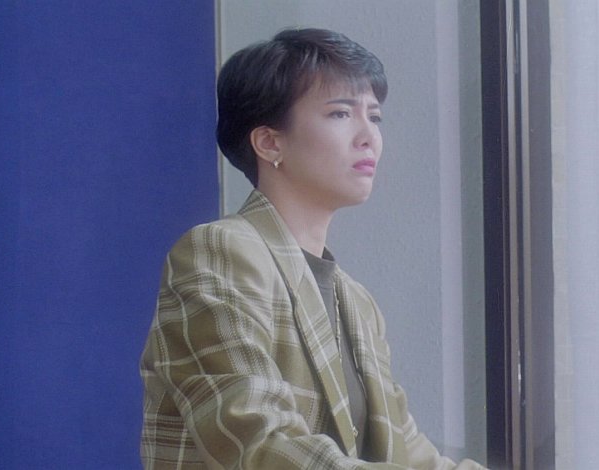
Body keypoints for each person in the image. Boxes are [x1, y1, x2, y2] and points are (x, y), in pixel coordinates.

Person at [139, 28, 486, 469]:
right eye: (340, 113)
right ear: (269, 142)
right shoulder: (218, 252)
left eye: (375, 117)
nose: (368, 136)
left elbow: (412, 453)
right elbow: (262, 445)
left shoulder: (356, 301)